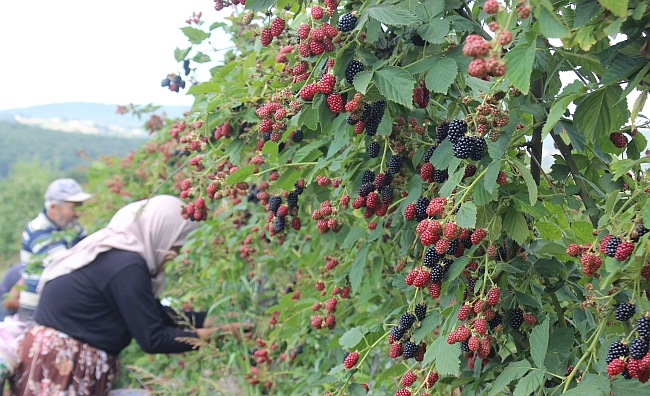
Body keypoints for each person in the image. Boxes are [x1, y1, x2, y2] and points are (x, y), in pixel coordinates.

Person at [10, 195, 249, 396]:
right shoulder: (127, 266)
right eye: (175, 245)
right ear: (160, 233)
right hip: (63, 366)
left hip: (58, 359)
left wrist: (210, 319)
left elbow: (154, 313)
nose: (174, 254)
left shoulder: (119, 255)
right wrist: (221, 333)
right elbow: (153, 338)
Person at [3, 178, 92, 314]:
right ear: (53, 208)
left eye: (80, 206)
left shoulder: (74, 228)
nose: (78, 213)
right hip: (36, 309)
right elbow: (63, 263)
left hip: (59, 305)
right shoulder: (39, 229)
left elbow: (91, 252)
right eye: (73, 207)